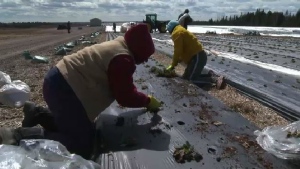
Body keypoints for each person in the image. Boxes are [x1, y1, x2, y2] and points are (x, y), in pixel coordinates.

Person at [0, 24, 162, 159]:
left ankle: (38, 113)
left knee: (80, 128)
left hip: (59, 80)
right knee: (81, 145)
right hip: (65, 89)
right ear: (138, 49)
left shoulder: (119, 45)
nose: (146, 60)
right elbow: (125, 96)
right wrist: (147, 101)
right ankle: (18, 136)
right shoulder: (123, 59)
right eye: (145, 55)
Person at [165, 20, 225, 89]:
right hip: (197, 57)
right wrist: (178, 60)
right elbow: (183, 49)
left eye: (168, 30)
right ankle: (210, 76)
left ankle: (214, 81)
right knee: (185, 78)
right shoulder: (180, 30)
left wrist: (173, 65)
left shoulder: (176, 33)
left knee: (191, 80)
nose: (169, 32)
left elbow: (178, 50)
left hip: (197, 57)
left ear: (170, 28)